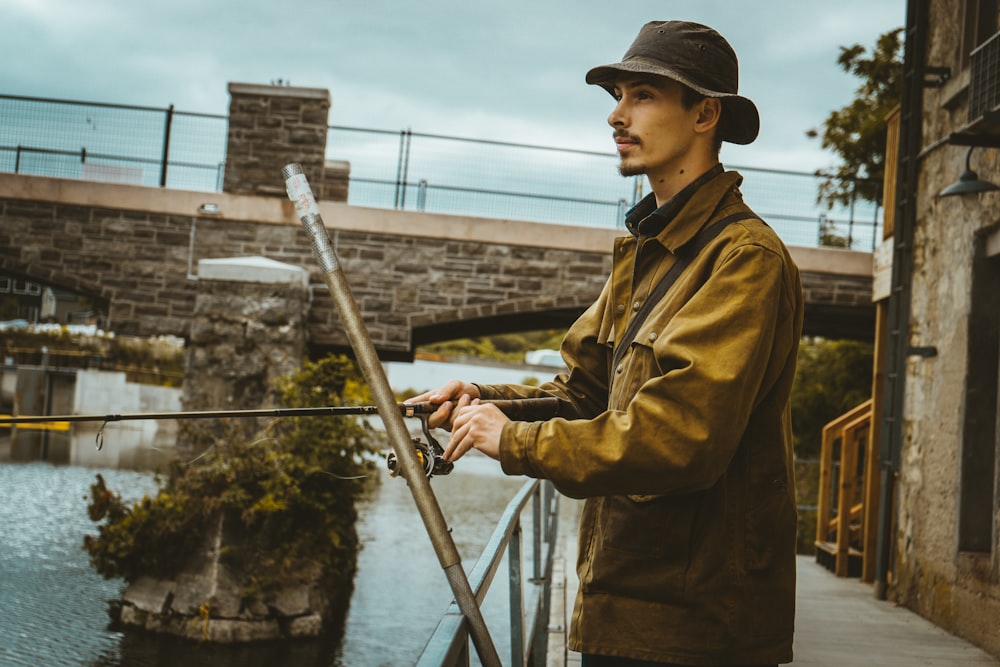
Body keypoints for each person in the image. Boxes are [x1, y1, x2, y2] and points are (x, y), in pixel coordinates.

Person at [412, 20, 803, 667]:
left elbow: (683, 437)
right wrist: (485, 399)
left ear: (705, 113)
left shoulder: (744, 259)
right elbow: (584, 392)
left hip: (695, 629)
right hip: (620, 607)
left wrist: (512, 440)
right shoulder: (643, 254)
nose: (617, 116)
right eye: (617, 96)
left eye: (642, 94)